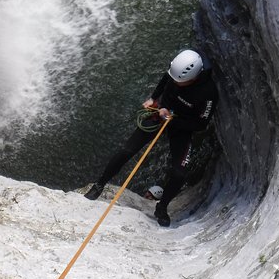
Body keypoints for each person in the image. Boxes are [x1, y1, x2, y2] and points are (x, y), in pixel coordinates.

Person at [84, 49, 219, 227]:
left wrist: (173, 121)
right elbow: (166, 79)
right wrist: (154, 98)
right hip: (161, 113)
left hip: (180, 125)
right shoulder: (176, 73)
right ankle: (99, 185)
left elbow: (201, 124)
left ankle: (162, 207)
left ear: (193, 78)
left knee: (180, 173)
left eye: (181, 82)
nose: (176, 84)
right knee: (127, 150)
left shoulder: (208, 93)